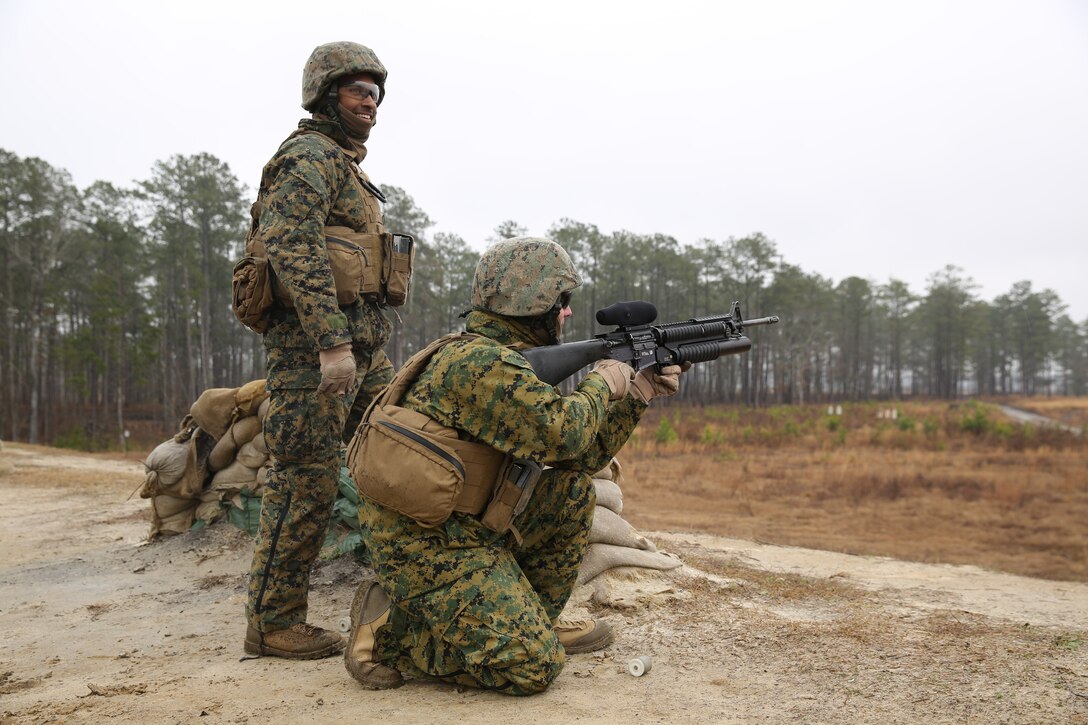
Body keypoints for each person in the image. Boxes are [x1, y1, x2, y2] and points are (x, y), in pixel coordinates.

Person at [343, 237, 684, 693]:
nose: (566, 313)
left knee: (571, 491)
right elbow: (563, 430)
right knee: (532, 669)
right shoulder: (478, 363)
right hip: (430, 545)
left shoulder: (505, 362)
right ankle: (390, 630)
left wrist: (638, 393)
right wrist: (603, 383)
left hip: (467, 526)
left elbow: (579, 457)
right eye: (561, 302)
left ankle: (530, 623)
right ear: (532, 302)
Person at [243, 41, 399, 660]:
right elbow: (294, 248)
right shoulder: (307, 157)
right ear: (326, 93)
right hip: (316, 354)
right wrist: (332, 344)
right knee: (304, 482)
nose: (372, 103)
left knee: (395, 445)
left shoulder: (345, 165)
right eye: (360, 91)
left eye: (377, 94)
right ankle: (274, 623)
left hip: (364, 351)